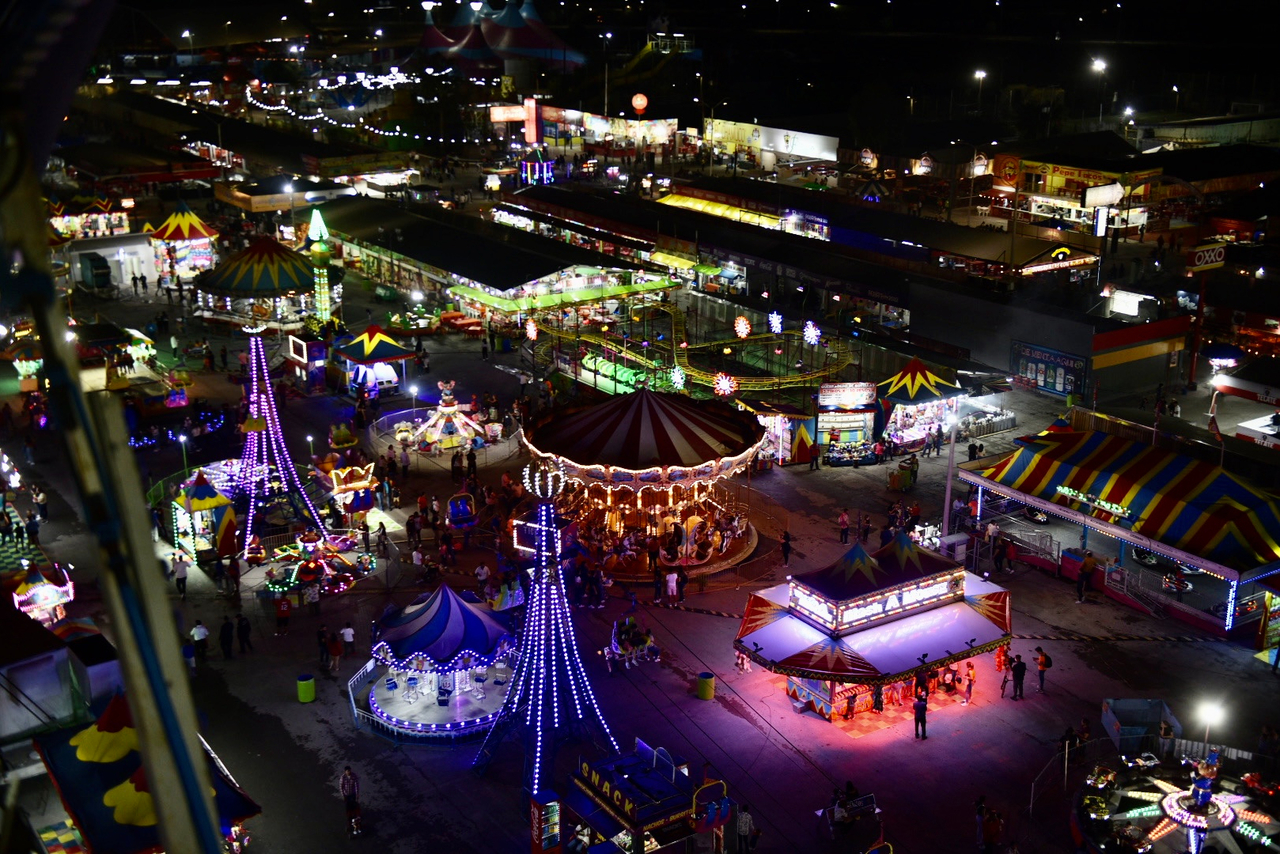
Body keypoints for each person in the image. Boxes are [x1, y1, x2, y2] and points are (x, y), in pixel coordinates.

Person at [340, 767, 361, 833]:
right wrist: (343, 795)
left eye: (349, 771)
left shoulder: (354, 776)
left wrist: (357, 794)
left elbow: (356, 786)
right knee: (348, 808)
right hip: (347, 795)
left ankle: (355, 819)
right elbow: (341, 787)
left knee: (354, 807)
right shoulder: (343, 778)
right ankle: (349, 821)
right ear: (345, 771)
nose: (348, 772)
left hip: (353, 794)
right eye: (347, 771)